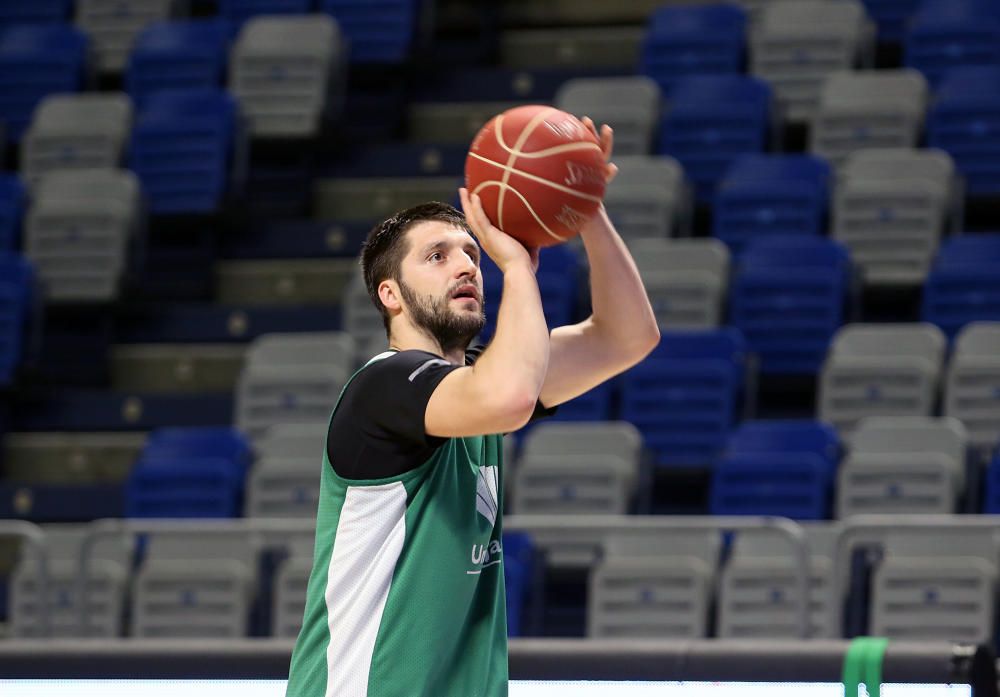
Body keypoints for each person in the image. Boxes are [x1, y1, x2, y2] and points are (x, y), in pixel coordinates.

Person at [285, 118, 659, 697]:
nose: (466, 265)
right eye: (437, 256)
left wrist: (585, 210)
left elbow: (627, 338)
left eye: (472, 254)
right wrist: (516, 268)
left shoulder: (477, 382)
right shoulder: (385, 386)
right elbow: (508, 397)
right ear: (390, 294)